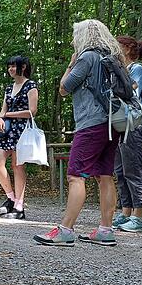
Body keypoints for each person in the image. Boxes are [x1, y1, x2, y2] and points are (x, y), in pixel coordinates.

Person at [34, 19, 122, 247]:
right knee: (104, 176)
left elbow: (64, 88)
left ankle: (66, 230)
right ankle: (105, 230)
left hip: (91, 124)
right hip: (113, 123)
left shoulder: (88, 57)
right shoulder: (113, 58)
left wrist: (71, 65)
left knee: (76, 175)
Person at [0, 56, 39, 219]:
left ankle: (19, 206)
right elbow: (2, 110)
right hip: (7, 129)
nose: (10, 69)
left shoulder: (31, 85)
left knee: (18, 166)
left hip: (22, 129)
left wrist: (8, 114)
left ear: (23, 67)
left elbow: (32, 111)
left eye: (13, 66)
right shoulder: (8, 88)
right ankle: (11, 198)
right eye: (9, 67)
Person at [112, 36, 142, 233]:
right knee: (120, 170)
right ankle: (125, 211)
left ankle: (139, 215)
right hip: (119, 124)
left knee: (133, 169)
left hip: (133, 124)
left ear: (127, 49)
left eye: (117, 47)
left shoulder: (137, 69)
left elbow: (131, 89)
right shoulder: (121, 70)